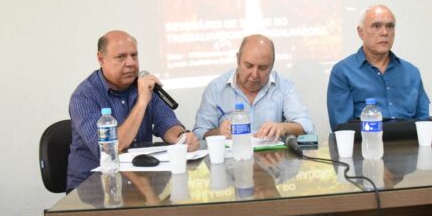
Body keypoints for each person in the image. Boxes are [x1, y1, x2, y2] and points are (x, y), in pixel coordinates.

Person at [66, 30, 199, 191]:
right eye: (121, 57)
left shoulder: (145, 86)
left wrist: (182, 138)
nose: (131, 63)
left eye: (134, 56)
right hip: (92, 188)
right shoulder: (84, 97)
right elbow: (110, 151)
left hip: (140, 182)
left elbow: (167, 124)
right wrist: (142, 103)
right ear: (101, 59)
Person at [327, 5, 430, 130]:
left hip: (410, 144)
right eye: (376, 26)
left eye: (390, 26)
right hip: (365, 145)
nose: (384, 32)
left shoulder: (411, 72)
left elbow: (427, 122)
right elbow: (342, 128)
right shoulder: (343, 72)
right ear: (361, 32)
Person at [193, 34, 315, 141]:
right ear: (237, 59)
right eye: (249, 66)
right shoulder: (216, 88)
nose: (255, 75)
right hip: (231, 162)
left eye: (262, 68)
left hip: (273, 162)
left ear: (272, 65)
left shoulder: (284, 86)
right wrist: (218, 132)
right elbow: (198, 134)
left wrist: (283, 127)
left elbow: (307, 126)